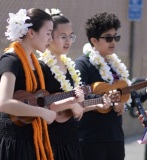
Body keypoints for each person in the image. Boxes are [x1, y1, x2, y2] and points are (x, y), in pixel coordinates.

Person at [75, 12, 147, 160]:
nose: (113, 41)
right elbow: (79, 96)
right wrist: (112, 100)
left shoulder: (116, 66)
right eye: (108, 38)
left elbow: (127, 98)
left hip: (115, 138)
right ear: (94, 40)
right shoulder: (82, 65)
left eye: (116, 37)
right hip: (91, 139)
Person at [38, 9, 112, 160]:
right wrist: (72, 103)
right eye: (63, 36)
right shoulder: (42, 67)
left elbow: (76, 106)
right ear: (49, 37)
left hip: (70, 138)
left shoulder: (70, 68)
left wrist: (96, 105)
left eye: (71, 36)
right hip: (49, 139)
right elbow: (42, 102)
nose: (68, 41)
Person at [0, 8, 57, 160]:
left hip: (32, 141)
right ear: (31, 33)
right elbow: (4, 103)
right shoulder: (11, 60)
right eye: (48, 33)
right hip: (13, 144)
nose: (51, 38)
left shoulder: (36, 63)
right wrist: (41, 112)